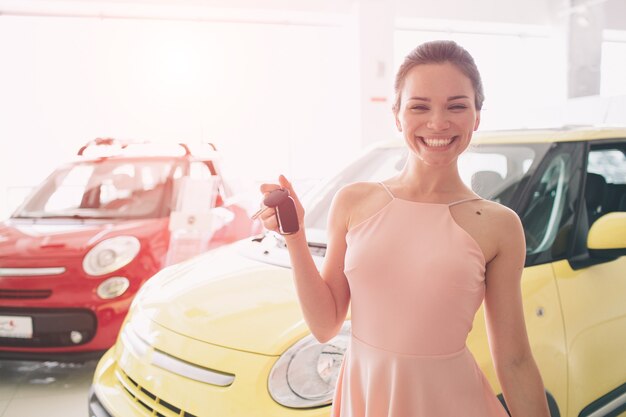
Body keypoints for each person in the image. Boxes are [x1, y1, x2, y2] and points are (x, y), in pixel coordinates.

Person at [257, 40, 551, 417]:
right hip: (367, 397)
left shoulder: (499, 225)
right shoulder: (353, 201)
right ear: (396, 115)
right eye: (419, 106)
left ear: (477, 116)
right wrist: (295, 236)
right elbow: (326, 324)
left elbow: (515, 360)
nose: (438, 122)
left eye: (457, 106)